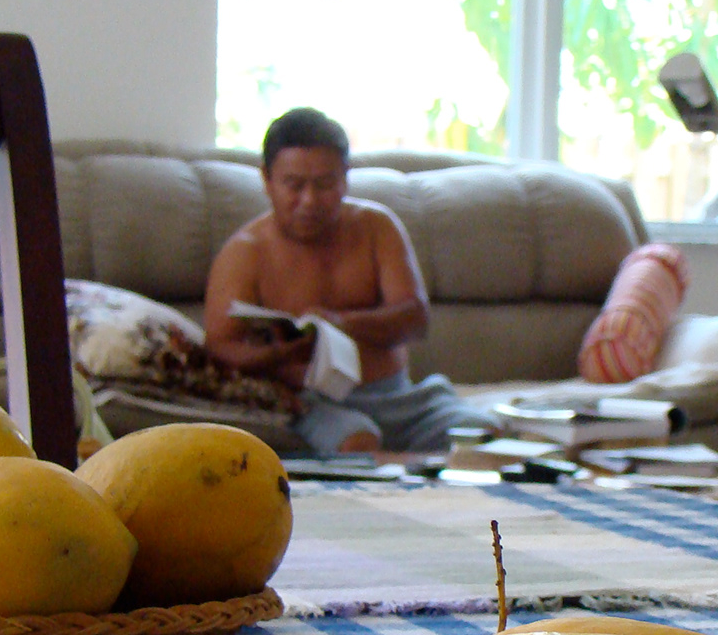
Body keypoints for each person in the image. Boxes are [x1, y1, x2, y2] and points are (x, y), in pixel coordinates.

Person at [203, 107, 498, 454]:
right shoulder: (244, 253)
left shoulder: (377, 226)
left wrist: (341, 323)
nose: (310, 201)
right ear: (267, 179)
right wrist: (282, 353)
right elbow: (219, 348)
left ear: (345, 177)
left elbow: (415, 319)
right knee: (358, 442)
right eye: (294, 185)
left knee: (485, 436)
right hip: (312, 404)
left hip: (402, 399)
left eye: (325, 184)